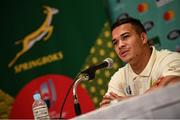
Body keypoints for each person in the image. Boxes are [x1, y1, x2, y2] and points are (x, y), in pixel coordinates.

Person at [100, 17, 180, 107]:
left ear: (143, 38)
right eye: (115, 42)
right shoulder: (118, 77)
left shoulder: (171, 59)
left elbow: (170, 88)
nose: (120, 45)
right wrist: (154, 90)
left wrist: (125, 101)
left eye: (125, 37)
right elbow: (106, 107)